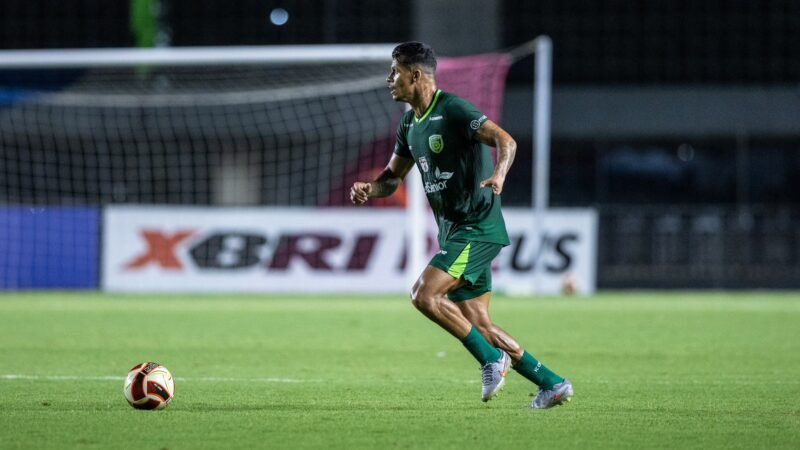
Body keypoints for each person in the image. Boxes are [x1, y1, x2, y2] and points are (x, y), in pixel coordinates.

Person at [350, 42, 572, 409]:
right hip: (454, 230)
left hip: (477, 226)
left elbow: (506, 140)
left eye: (395, 72)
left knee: (424, 294)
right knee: (480, 324)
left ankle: (490, 360)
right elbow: (392, 178)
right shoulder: (409, 123)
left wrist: (499, 173)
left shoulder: (452, 109)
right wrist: (369, 188)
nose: (389, 79)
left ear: (415, 75)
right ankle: (551, 383)